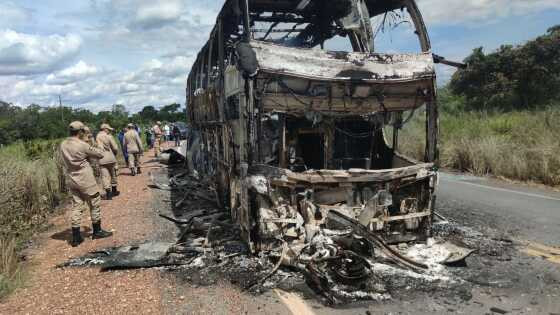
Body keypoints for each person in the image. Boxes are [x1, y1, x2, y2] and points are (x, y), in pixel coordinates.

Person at [59, 121, 113, 247]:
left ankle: (76, 236)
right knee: (94, 203)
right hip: (85, 178)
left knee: (77, 206)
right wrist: (90, 140)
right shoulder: (82, 144)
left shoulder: (63, 144)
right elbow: (100, 154)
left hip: (72, 178)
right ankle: (97, 231)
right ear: (80, 132)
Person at [96, 123, 120, 200]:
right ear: (105, 129)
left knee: (105, 176)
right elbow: (115, 148)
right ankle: (114, 190)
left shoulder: (97, 137)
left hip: (101, 159)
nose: (109, 131)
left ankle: (108, 194)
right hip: (110, 157)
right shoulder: (109, 136)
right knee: (113, 174)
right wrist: (115, 154)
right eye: (108, 129)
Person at [81, 126, 104, 198]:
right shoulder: (88, 138)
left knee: (95, 175)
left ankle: (97, 191)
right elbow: (95, 146)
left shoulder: (81, 139)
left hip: (90, 159)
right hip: (91, 158)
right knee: (96, 175)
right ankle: (99, 191)